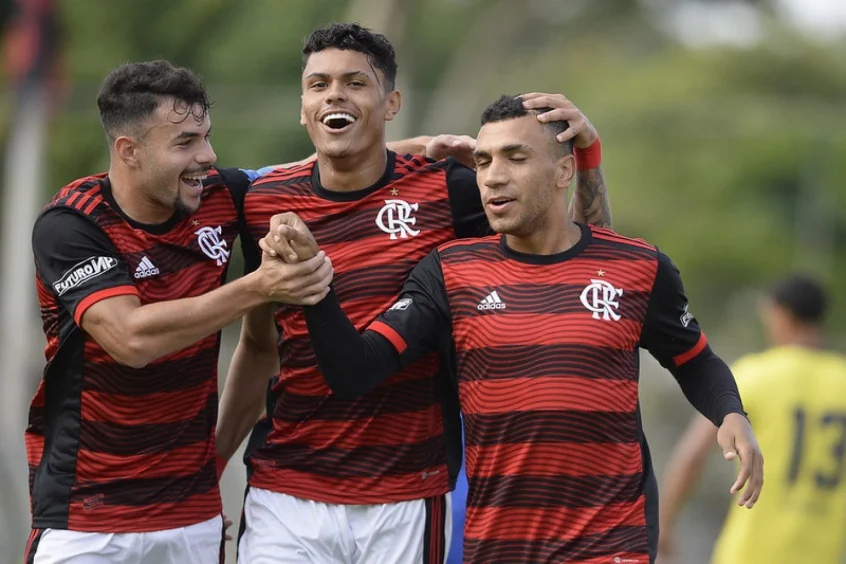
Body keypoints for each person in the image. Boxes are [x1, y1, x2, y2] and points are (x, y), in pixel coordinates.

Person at [275, 93, 765, 564]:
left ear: (564, 171)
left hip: (611, 538)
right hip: (498, 543)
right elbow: (355, 371)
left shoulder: (637, 266)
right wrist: (314, 281)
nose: (493, 177)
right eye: (484, 161)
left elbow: (694, 359)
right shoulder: (448, 271)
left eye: (515, 157)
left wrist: (731, 414)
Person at [23, 59, 458, 564]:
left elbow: (313, 170)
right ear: (129, 151)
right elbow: (130, 339)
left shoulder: (219, 196)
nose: (207, 157)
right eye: (185, 142)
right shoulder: (71, 225)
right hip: (87, 519)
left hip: (193, 518)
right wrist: (260, 285)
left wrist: (419, 150)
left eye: (206, 136)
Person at [215, 23, 612, 564]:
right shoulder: (259, 200)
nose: (334, 94)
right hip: (285, 488)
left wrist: (587, 157)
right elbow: (260, 348)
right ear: (302, 107)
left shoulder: (447, 191)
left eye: (356, 83)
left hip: (407, 491)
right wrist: (211, 465)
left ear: (392, 102)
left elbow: (582, 258)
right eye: (318, 85)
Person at [658, 274, 846, 564]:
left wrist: (665, 523)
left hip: (751, 554)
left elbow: (692, 454)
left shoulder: (754, 375)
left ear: (780, 315)